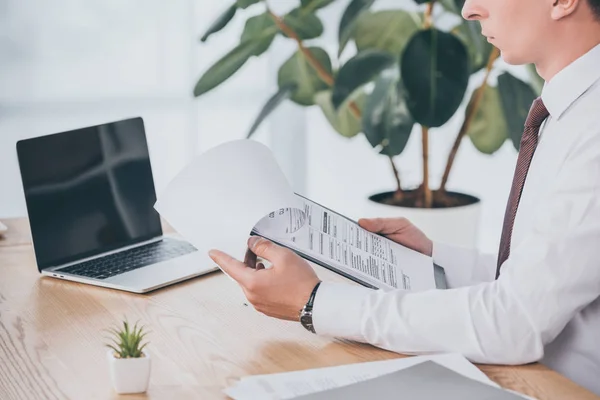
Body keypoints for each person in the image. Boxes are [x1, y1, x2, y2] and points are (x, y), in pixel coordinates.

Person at [209, 0, 600, 394]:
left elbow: (514, 323)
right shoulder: (574, 109)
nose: (469, 10)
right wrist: (433, 258)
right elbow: (545, 282)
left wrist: (315, 303)